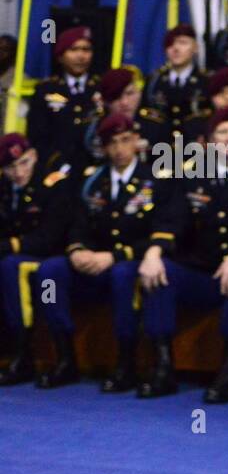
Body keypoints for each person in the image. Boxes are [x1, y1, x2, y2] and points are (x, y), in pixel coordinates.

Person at [137, 108, 228, 401]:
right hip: (200, 268)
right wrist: (153, 252)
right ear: (209, 142)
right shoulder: (193, 172)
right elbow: (173, 218)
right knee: (160, 272)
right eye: (223, 132)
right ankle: (164, 368)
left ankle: (227, 372)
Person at [34, 115, 162, 390]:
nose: (119, 149)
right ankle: (64, 355)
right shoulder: (91, 181)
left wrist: (114, 256)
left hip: (128, 262)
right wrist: (77, 249)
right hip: (93, 263)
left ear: (136, 141)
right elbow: (78, 224)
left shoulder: (154, 179)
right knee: (49, 273)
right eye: (112, 143)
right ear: (103, 148)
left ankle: (126, 363)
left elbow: (161, 234)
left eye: (125, 140)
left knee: (122, 275)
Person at [0, 135, 73, 385]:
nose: (18, 172)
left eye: (23, 163)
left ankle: (57, 356)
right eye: (11, 168)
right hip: (22, 258)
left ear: (34, 156)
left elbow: (50, 237)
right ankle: (15, 351)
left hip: (56, 258)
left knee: (18, 270)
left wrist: (10, 245)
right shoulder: (4, 188)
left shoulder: (52, 184)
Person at [26, 27, 99, 170]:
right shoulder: (45, 90)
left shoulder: (100, 88)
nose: (81, 56)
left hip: (91, 167)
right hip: (55, 168)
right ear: (60, 56)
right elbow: (36, 137)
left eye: (86, 49)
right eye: (73, 49)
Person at [144, 24, 207, 133]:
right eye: (170, 44)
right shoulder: (154, 81)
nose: (176, 48)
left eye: (183, 43)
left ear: (196, 47)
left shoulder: (206, 81)